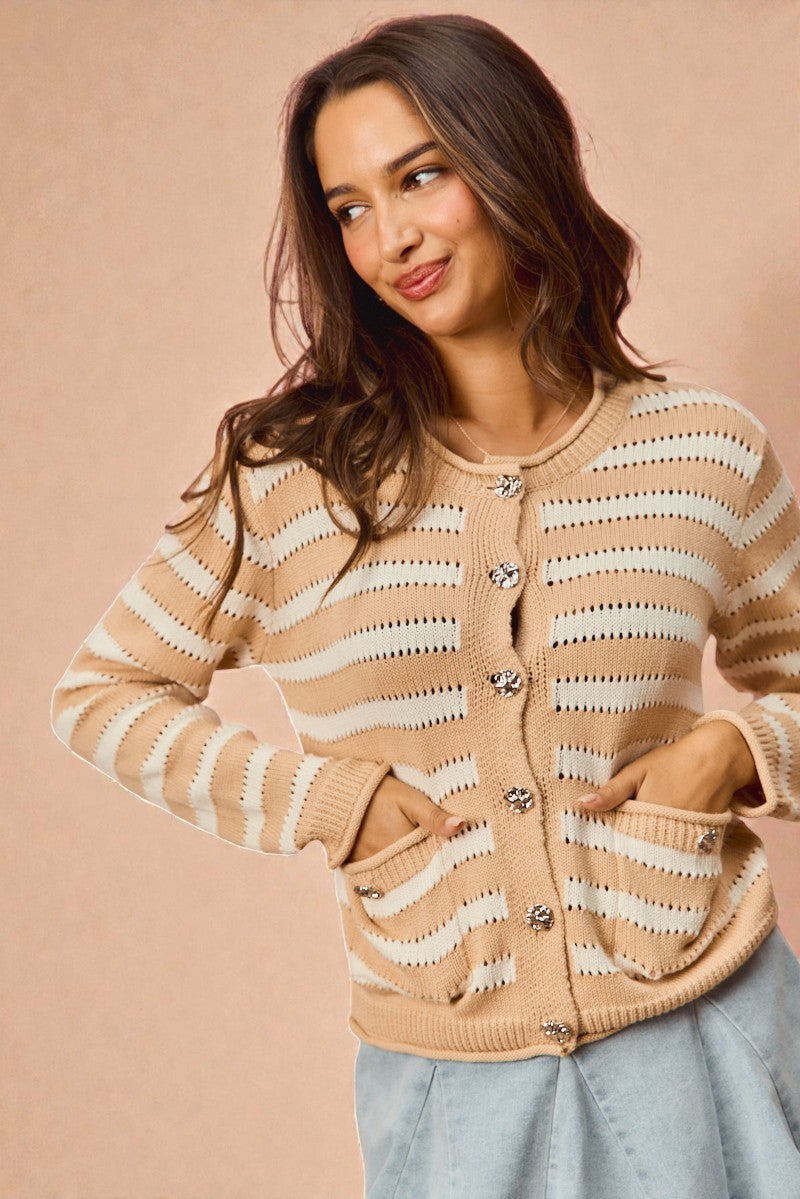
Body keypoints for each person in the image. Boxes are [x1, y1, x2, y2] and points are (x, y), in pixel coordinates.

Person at [50, 12, 800, 1198]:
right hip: (453, 1077)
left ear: (511, 157)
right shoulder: (289, 481)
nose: (389, 236)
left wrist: (735, 749)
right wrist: (328, 800)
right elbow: (103, 695)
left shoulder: (700, 450)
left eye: (420, 175)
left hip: (717, 1028)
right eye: (348, 207)